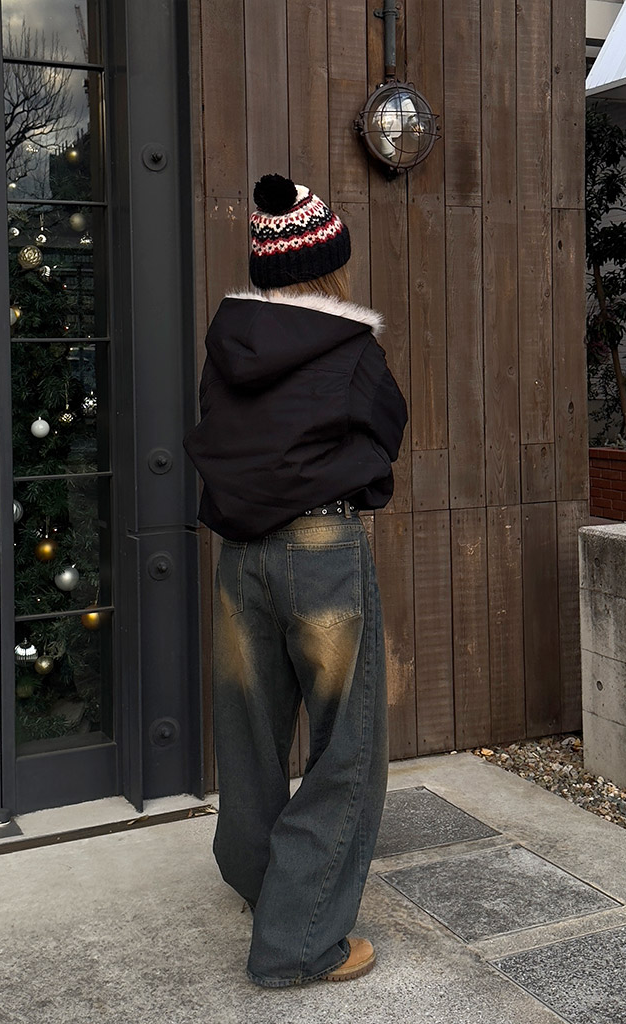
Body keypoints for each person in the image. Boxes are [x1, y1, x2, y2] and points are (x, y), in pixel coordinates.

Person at [183, 173, 408, 987]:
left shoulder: (227, 349)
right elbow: (385, 435)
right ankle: (299, 941)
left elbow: (223, 440)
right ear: (328, 265)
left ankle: (261, 882)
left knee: (246, 730)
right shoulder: (352, 352)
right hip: (321, 549)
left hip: (239, 554)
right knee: (347, 746)